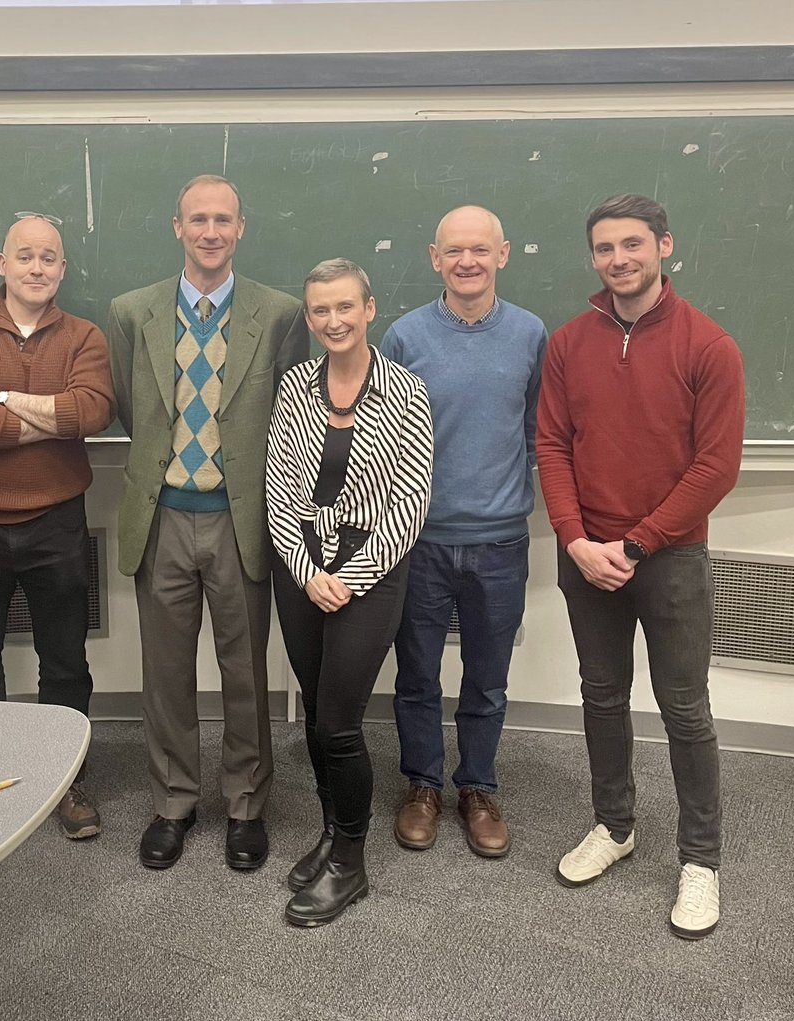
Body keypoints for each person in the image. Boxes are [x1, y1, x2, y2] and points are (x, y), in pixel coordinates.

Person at [536, 194, 745, 940]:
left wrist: (637, 543)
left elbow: (716, 467)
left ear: (664, 245)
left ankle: (700, 860)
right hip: (586, 554)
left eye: (632, 244)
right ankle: (614, 824)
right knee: (602, 694)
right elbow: (552, 445)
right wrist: (574, 538)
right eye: (603, 248)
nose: (618, 258)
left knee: (686, 711)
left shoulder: (708, 345)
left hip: (671, 557)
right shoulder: (567, 343)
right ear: (592, 257)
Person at [108, 175, 308, 871]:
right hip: (161, 514)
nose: (211, 231)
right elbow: (138, 413)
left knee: (245, 670)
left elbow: (291, 418)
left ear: (241, 227)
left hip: (241, 519)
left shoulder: (280, 314)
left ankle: (247, 805)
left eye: (223, 218)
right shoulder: (132, 313)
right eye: (198, 218)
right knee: (165, 673)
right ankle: (174, 801)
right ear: (177, 226)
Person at [0, 215, 114, 840]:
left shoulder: (85, 336)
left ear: (62, 270)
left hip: (58, 524)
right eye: (25, 257)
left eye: (49, 258)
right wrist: (50, 415)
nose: (37, 268)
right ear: (2, 264)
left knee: (64, 660)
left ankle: (64, 778)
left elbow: (93, 410)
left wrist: (4, 400)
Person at [266, 258, 433, 926]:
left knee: (339, 721)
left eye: (345, 307)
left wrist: (349, 578)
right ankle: (333, 830)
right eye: (320, 311)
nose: (333, 321)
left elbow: (410, 502)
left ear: (369, 309)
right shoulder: (294, 387)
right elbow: (278, 488)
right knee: (313, 711)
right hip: (301, 565)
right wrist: (308, 571)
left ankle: (351, 863)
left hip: (372, 567)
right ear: (310, 318)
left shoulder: (407, 392)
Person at [381, 206, 547, 858]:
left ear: (503, 253)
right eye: (455, 250)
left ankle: (477, 787)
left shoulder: (531, 334)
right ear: (434, 256)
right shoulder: (403, 336)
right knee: (417, 675)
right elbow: (383, 438)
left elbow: (539, 432)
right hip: (419, 542)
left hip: (502, 541)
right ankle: (422, 785)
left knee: (488, 678)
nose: (467, 260)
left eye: (480, 249)